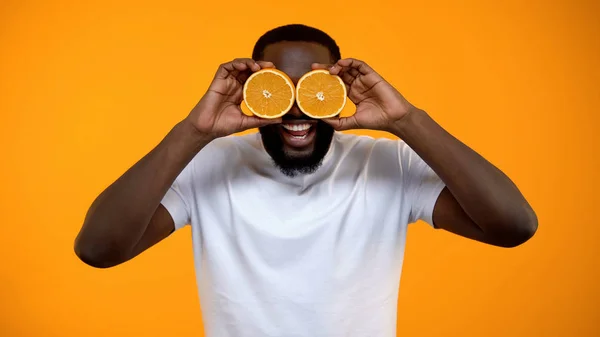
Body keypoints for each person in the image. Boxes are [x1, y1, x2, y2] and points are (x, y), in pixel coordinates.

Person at [74, 24, 538, 336]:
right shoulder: (209, 163)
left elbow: (514, 226)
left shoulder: (388, 163)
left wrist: (405, 119)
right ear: (254, 90)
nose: (296, 108)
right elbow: (98, 249)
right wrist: (192, 132)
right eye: (279, 89)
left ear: (336, 89)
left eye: (312, 90)